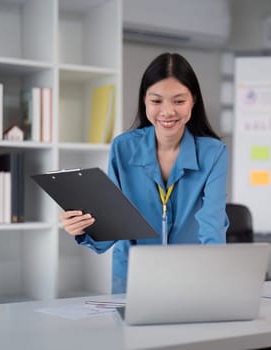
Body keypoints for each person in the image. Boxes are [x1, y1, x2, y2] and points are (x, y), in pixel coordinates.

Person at [60, 52, 229, 293]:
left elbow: (212, 226)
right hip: (132, 279)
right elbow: (113, 225)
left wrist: (215, 282)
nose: (167, 111)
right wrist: (83, 227)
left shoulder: (214, 153)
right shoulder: (123, 147)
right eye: (156, 100)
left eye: (179, 101)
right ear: (144, 101)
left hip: (193, 279)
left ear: (193, 101)